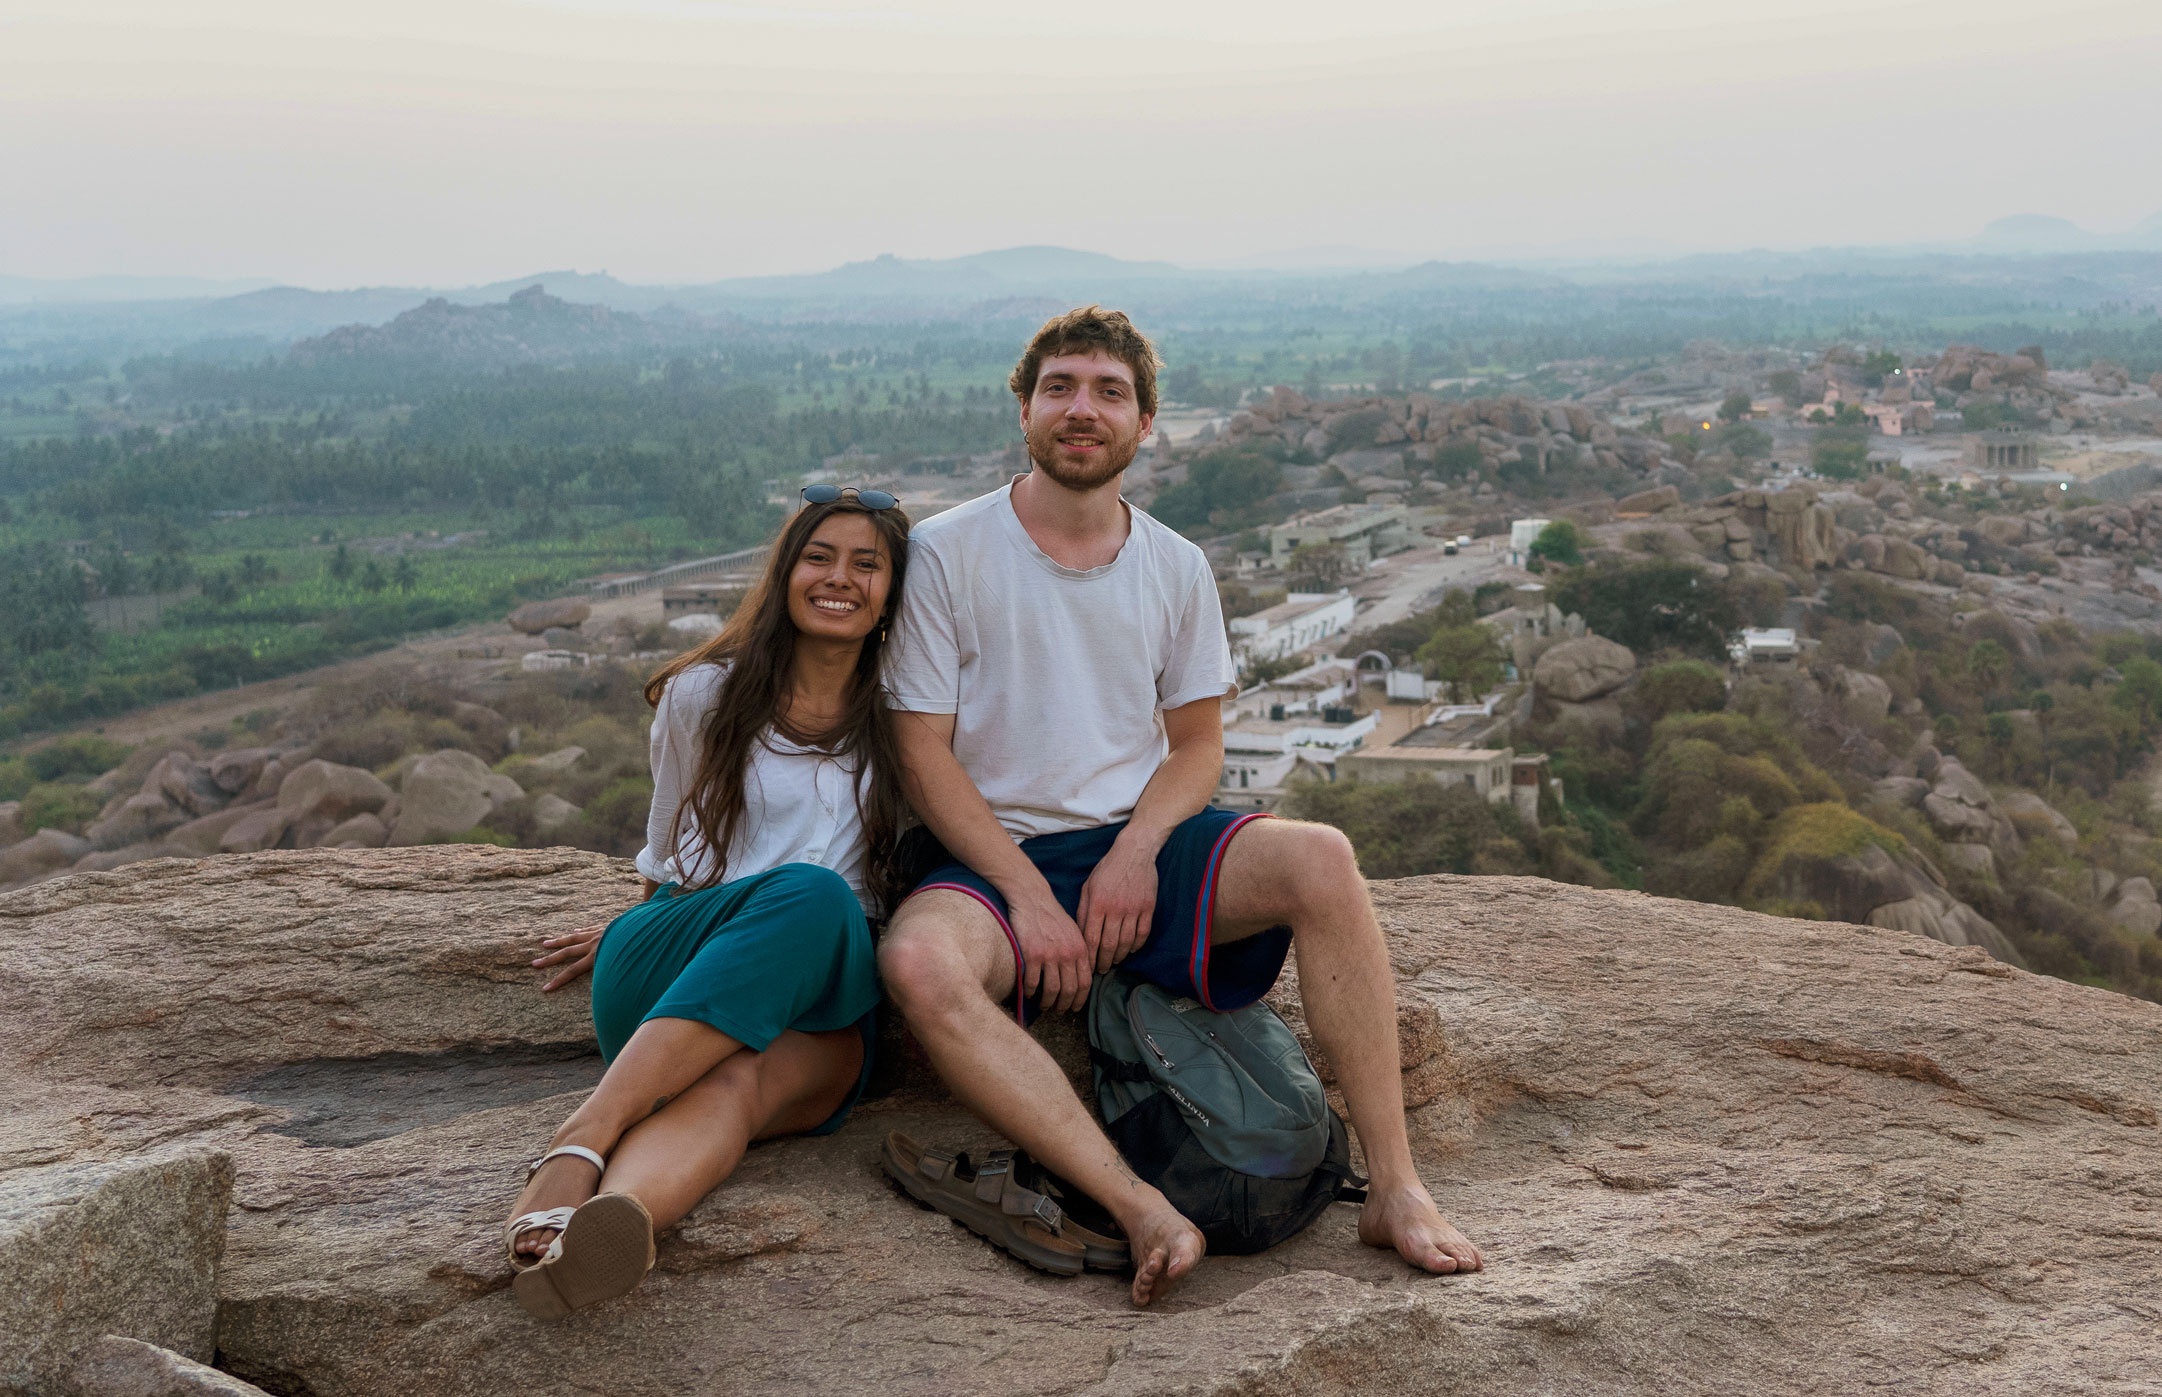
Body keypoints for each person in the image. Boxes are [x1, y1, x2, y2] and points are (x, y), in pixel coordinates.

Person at [876, 307, 1483, 1309]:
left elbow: (1196, 745)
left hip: (1136, 846)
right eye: (1061, 387)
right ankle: (1140, 1206)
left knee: (1322, 857)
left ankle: (1397, 1187)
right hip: (991, 856)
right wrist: (1025, 895)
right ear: (1024, 409)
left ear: (1145, 423)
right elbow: (921, 755)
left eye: (1109, 392)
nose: (1083, 408)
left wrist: (1136, 851)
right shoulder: (946, 551)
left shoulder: (1172, 564)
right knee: (917, 961)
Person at [499, 487, 911, 1320]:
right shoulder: (705, 695)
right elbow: (665, 846)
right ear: (785, 572)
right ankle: (573, 1144)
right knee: (816, 895)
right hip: (687, 949)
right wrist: (635, 922)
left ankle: (608, 1231)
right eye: (819, 556)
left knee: (740, 1085)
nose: (841, 578)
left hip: (823, 993)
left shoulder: (912, 718)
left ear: (892, 596)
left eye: (868, 564)